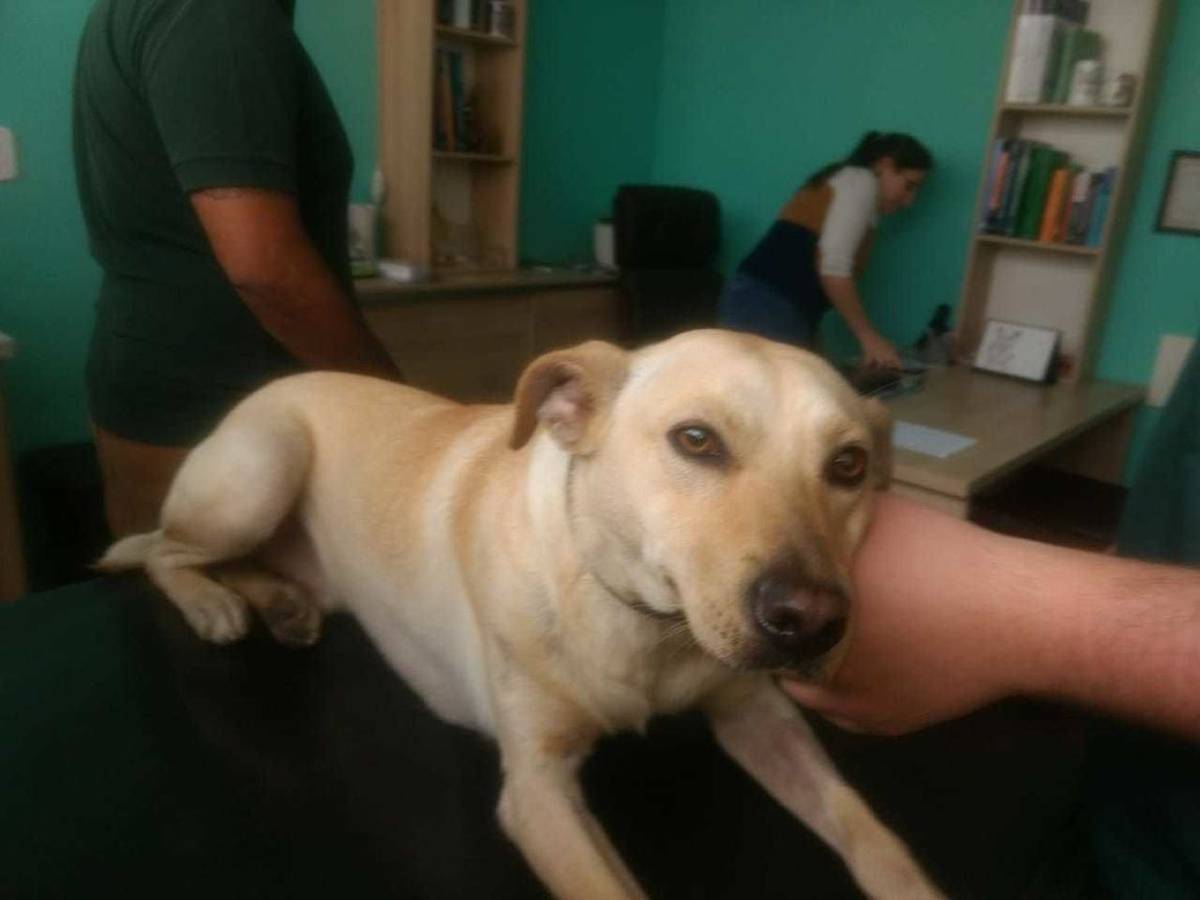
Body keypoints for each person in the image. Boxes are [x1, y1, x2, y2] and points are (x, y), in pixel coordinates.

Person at [72, 0, 402, 538]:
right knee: (202, 588)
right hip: (222, 409)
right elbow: (264, 267)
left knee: (162, 585)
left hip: (156, 378)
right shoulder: (218, 11)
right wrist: (393, 405)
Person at [719, 131, 933, 368]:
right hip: (764, 302)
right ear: (885, 165)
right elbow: (833, 269)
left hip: (778, 304)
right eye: (909, 186)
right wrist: (869, 338)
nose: (910, 201)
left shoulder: (855, 192)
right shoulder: (860, 181)